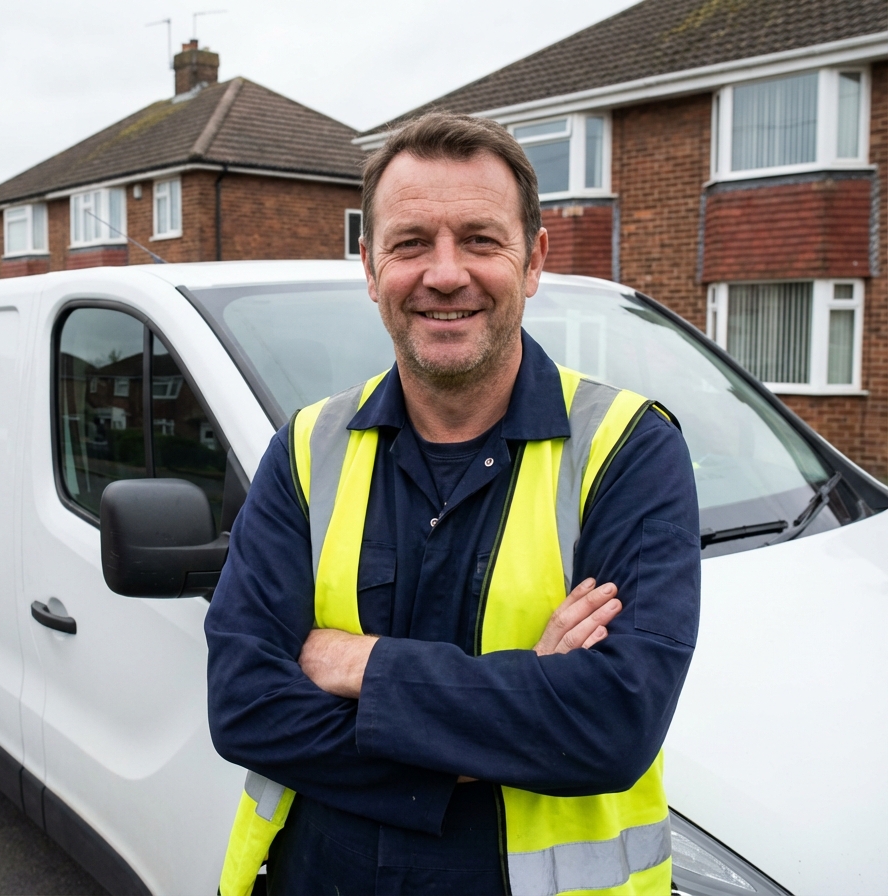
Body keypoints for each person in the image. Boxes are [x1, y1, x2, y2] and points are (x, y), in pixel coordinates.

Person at [204, 112, 700, 896]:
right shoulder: (306, 448)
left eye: (478, 239)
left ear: (533, 260)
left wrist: (356, 663)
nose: (444, 273)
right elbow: (243, 704)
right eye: (410, 244)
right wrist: (514, 713)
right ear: (370, 269)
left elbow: (612, 722)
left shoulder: (627, 450)